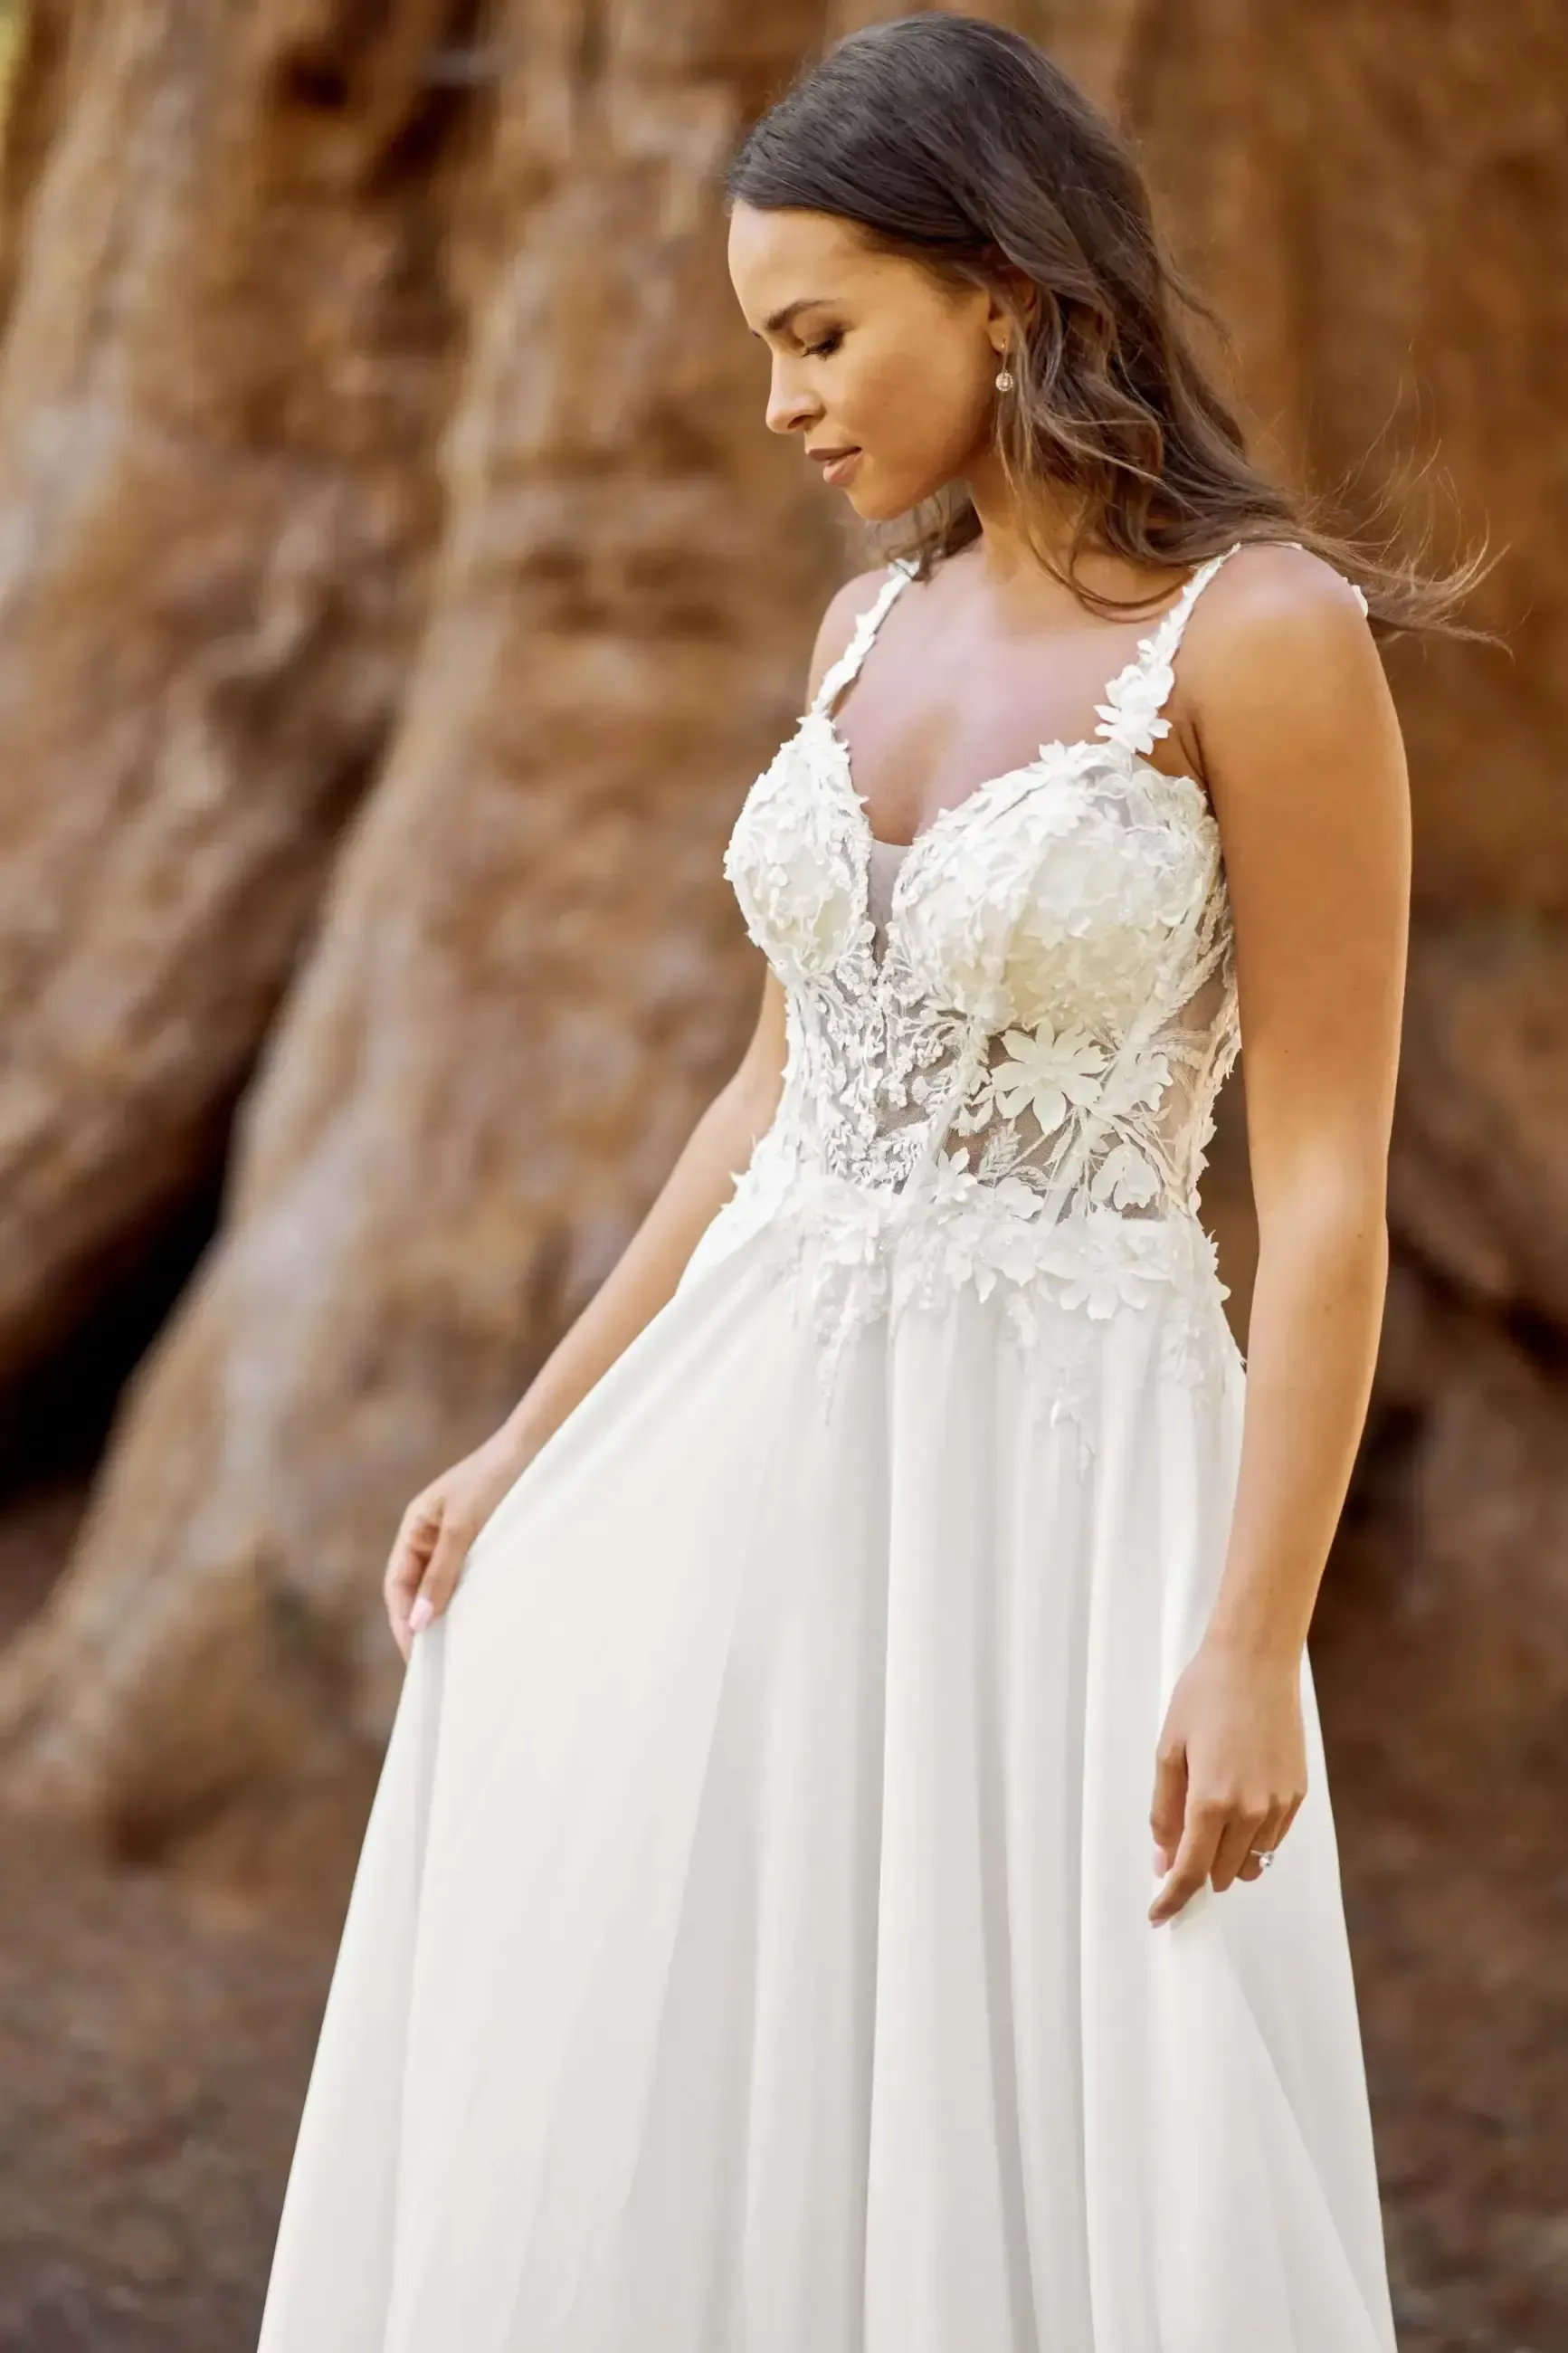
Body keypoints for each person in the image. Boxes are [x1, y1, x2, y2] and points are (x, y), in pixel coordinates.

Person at [257, 16, 1468, 2348]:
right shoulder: (860, 631)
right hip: (754, 1454)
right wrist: (528, 1443)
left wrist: (1253, 1636)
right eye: (764, 347)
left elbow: (1325, 1193)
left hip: (1064, 1482)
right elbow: (768, 1102)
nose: (786, 401)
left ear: (1002, 287)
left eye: (821, 332)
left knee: (1054, 2075)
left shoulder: (1270, 642)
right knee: (700, 2024)